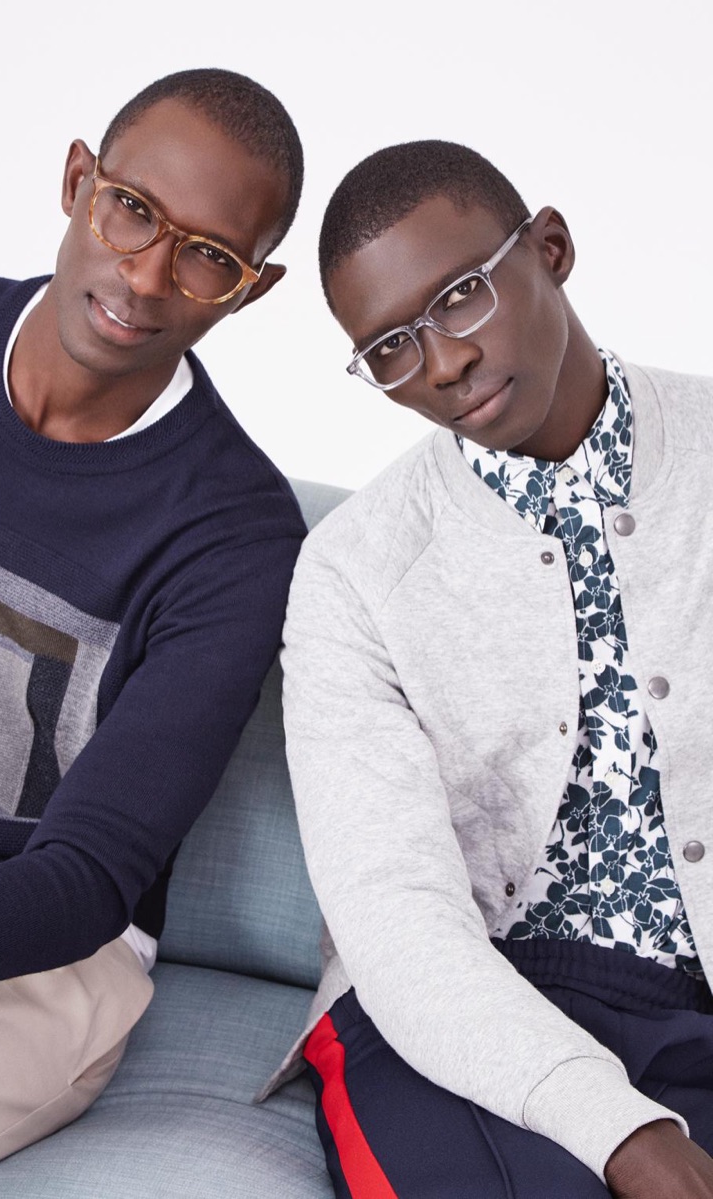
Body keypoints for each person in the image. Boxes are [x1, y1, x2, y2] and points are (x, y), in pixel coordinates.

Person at [279, 139, 713, 1198]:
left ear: (550, 249)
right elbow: (396, 915)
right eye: (386, 347)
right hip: (458, 1008)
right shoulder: (352, 569)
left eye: (460, 296)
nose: (438, 363)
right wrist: (622, 1133)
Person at [0, 67, 306, 1197]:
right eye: (134, 209)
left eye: (207, 255)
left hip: (37, 956)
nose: (145, 276)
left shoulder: (234, 536)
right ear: (80, 180)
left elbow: (85, 879)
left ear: (251, 288)